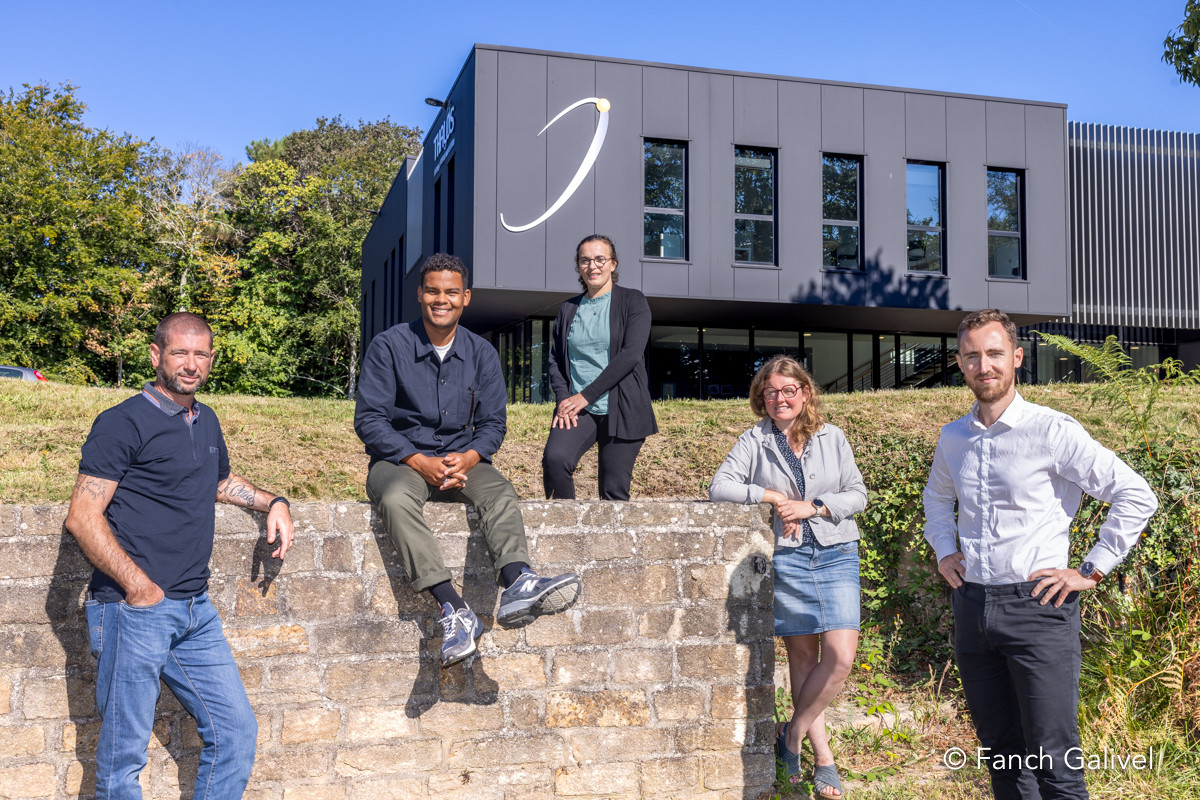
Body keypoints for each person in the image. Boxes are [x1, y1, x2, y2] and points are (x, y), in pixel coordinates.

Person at [923, 309, 1158, 800]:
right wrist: (945, 550)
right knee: (1002, 753)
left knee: (1055, 758)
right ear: (960, 363)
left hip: (1039, 608)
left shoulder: (1052, 431)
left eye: (994, 354)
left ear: (1017, 358)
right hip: (972, 605)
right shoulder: (953, 437)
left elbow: (1136, 495)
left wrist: (1091, 570)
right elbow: (937, 499)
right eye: (972, 356)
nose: (983, 365)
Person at [64, 312, 295, 800]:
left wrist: (272, 501)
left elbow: (215, 483)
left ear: (211, 359)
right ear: (156, 356)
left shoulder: (204, 419)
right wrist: (139, 587)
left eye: (200, 354)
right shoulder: (121, 422)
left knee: (235, 733)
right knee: (123, 758)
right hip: (134, 609)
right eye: (179, 353)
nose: (190, 364)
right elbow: (83, 516)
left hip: (195, 612)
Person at [355, 253, 582, 669]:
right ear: (420, 295)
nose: (442, 300)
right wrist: (416, 459)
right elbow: (369, 420)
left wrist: (472, 455)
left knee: (499, 490)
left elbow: (494, 423)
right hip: (401, 459)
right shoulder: (389, 346)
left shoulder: (482, 353)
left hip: (464, 459)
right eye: (433, 291)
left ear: (466, 298)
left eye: (452, 292)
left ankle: (518, 582)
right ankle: (454, 610)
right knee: (391, 496)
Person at [709, 355, 867, 797]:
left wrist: (813, 507)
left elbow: (858, 494)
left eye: (788, 390)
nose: (780, 398)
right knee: (802, 658)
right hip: (790, 558)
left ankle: (791, 734)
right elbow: (719, 487)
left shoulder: (832, 437)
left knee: (839, 656)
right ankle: (824, 758)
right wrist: (772, 495)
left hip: (836, 552)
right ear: (762, 396)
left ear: (805, 393)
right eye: (771, 391)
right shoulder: (754, 440)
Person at [542, 234, 657, 500]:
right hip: (577, 406)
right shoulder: (569, 308)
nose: (592, 266)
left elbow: (629, 355)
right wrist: (565, 399)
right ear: (579, 266)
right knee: (555, 460)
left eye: (599, 259)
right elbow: (556, 360)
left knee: (612, 492)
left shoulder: (633, 301)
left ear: (613, 264)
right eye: (585, 260)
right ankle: (566, 531)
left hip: (623, 407)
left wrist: (586, 396)